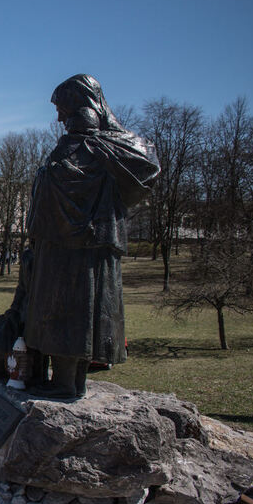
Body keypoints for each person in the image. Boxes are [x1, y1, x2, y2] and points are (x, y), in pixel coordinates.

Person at [24, 74, 159, 399]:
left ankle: (67, 384)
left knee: (70, 310)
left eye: (62, 109)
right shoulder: (87, 148)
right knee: (80, 311)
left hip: (77, 246)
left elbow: (146, 168)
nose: (59, 118)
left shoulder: (102, 148)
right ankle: (72, 383)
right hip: (73, 243)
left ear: (80, 106)